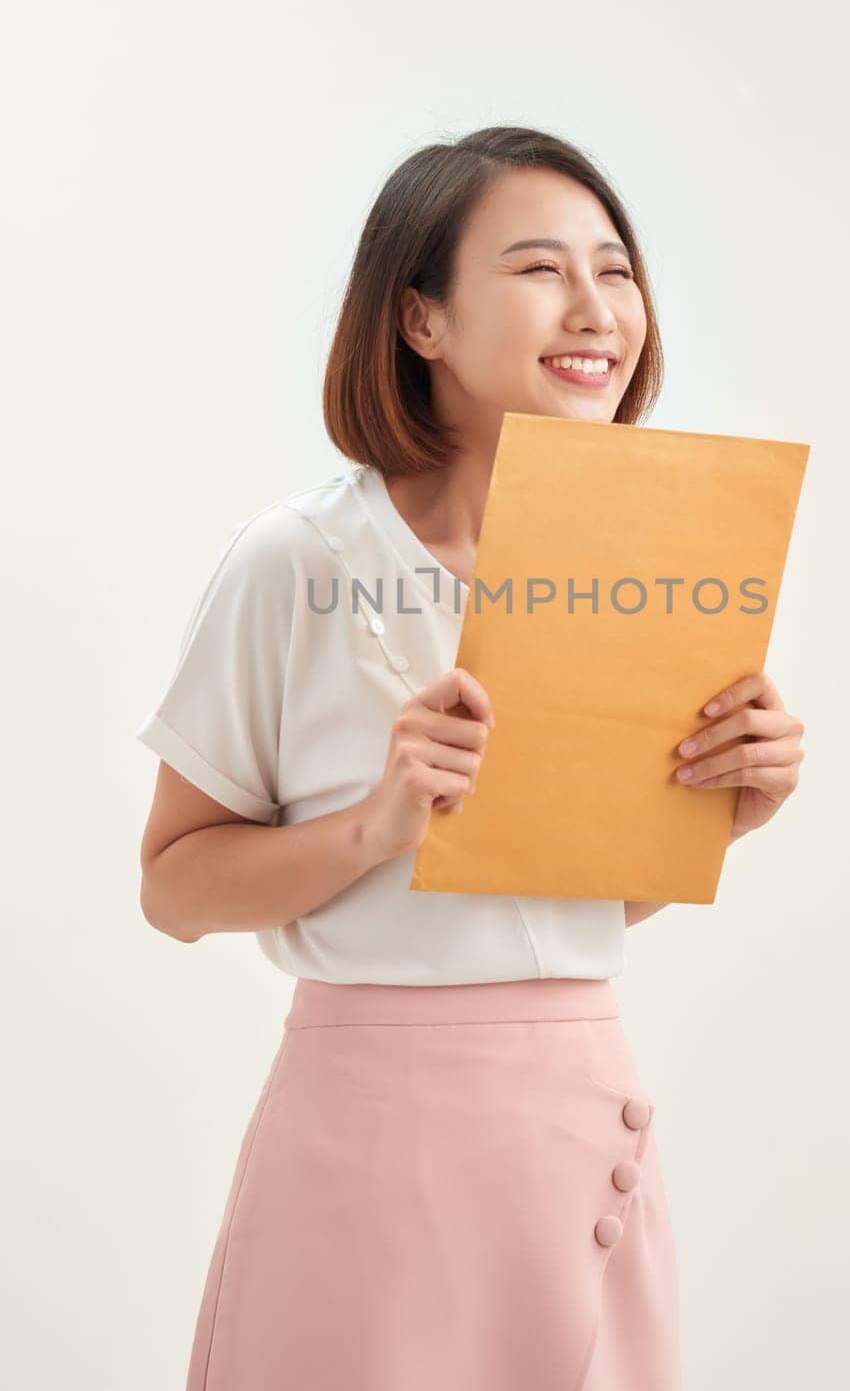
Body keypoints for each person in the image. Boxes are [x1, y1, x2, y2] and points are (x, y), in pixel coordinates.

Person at [136, 124, 806, 1390]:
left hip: (578, 1122)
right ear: (422, 319)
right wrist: (372, 827)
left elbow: (570, 910)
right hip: (371, 1141)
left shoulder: (655, 564)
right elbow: (172, 886)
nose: (595, 307)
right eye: (541, 268)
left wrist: (728, 810)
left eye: (616, 270)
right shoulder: (302, 560)